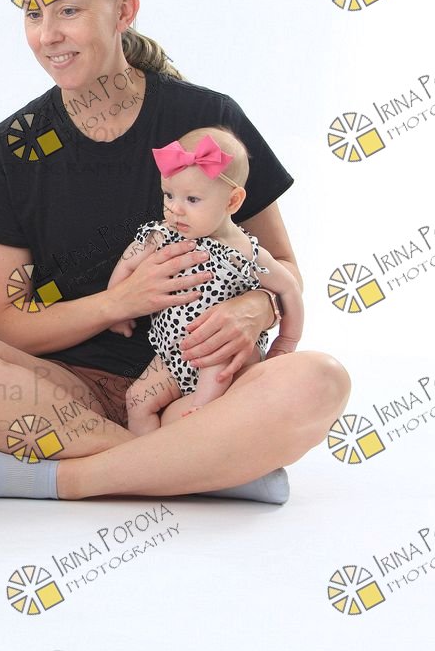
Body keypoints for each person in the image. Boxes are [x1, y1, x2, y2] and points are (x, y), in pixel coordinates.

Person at [0, 0, 349, 504]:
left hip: (207, 387)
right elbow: (7, 323)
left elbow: (284, 267)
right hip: (73, 394)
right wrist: (120, 301)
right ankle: (211, 466)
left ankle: (68, 480)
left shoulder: (208, 120)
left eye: (68, 10)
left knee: (321, 380)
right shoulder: (12, 147)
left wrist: (253, 308)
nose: (48, 35)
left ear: (124, 11)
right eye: (32, 14)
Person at [110, 127, 304, 434]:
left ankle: (203, 419)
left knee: (209, 394)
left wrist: (287, 340)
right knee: (137, 400)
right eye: (169, 195)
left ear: (232, 202)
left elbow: (289, 288)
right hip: (176, 353)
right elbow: (128, 261)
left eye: (192, 199)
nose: (175, 208)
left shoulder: (244, 252)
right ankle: (144, 457)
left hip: (221, 347)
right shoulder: (163, 234)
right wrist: (118, 310)